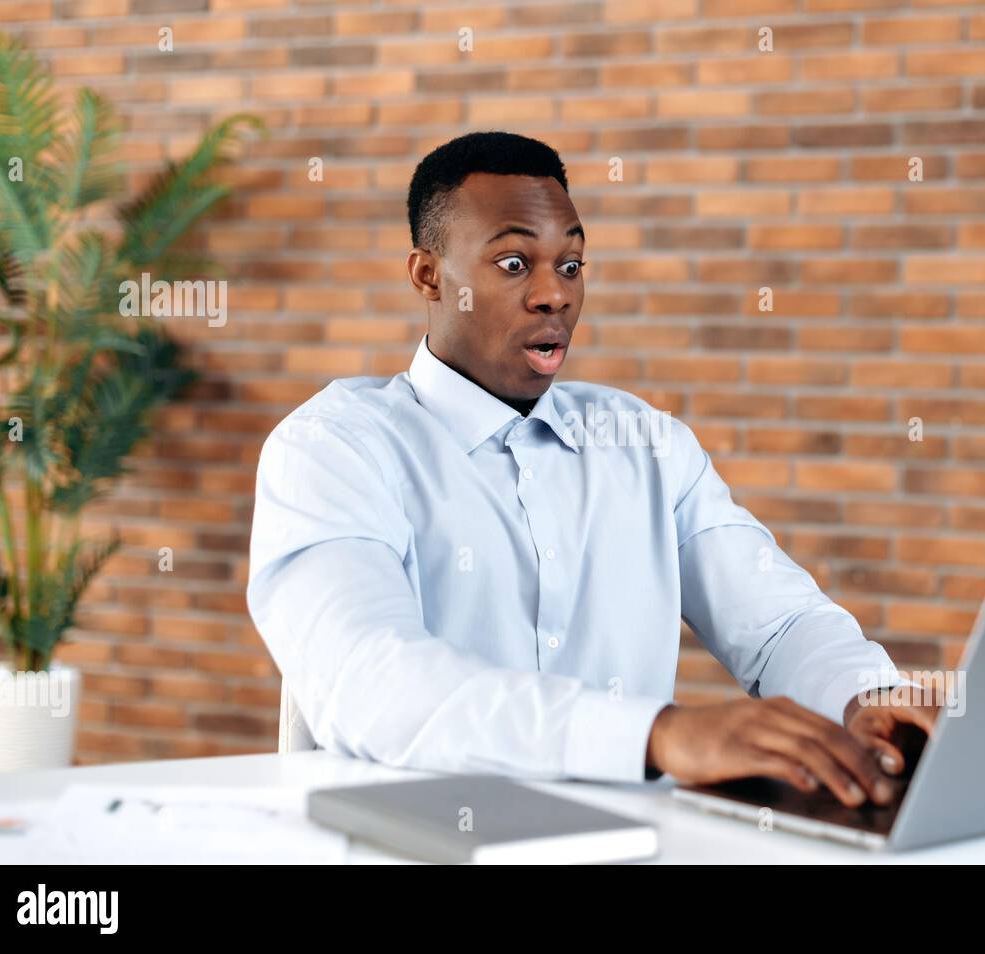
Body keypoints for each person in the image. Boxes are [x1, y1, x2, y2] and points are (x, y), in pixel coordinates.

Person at [247, 131, 938, 808]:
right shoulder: (333, 450)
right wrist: (655, 736)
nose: (556, 295)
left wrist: (866, 701)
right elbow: (371, 680)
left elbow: (780, 625)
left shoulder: (646, 445)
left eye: (571, 265)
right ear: (428, 275)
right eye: (514, 264)